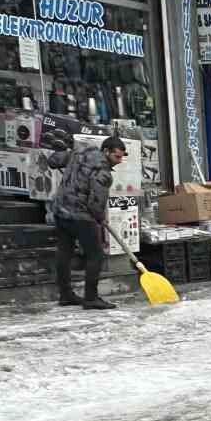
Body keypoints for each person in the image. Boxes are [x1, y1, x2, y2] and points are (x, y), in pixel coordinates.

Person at [47, 132, 126, 311]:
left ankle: (65, 295)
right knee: (96, 255)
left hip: (60, 210)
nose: (119, 161)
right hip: (81, 215)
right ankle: (91, 298)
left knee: (64, 253)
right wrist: (99, 217)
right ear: (106, 151)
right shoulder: (104, 173)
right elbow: (96, 202)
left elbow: (53, 161)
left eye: (121, 157)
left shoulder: (80, 152)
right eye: (116, 156)